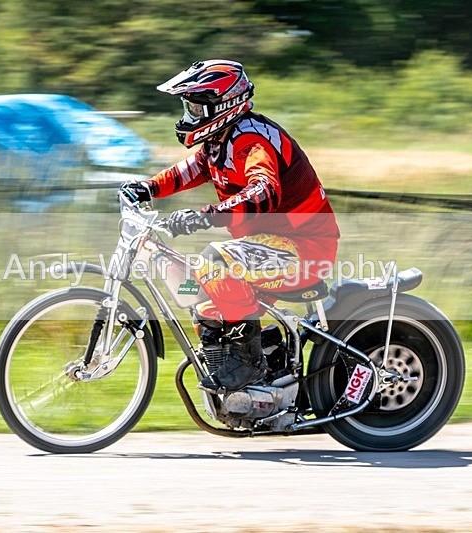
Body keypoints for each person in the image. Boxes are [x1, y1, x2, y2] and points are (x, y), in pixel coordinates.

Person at [120, 59, 340, 394]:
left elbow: (263, 191)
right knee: (197, 294)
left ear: (222, 105)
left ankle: (248, 362)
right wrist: (147, 188)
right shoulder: (219, 141)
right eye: (188, 107)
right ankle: (262, 360)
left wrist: (206, 214)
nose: (189, 116)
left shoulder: (252, 141)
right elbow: (189, 172)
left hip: (306, 249)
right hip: (269, 249)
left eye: (196, 108)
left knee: (215, 260)